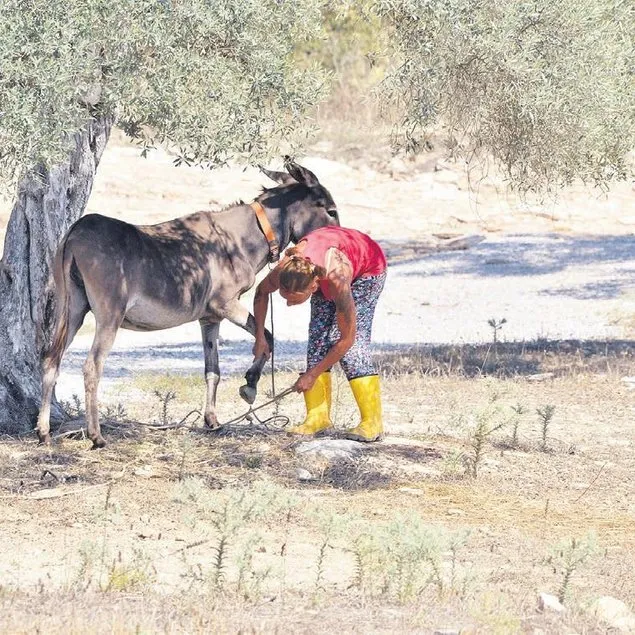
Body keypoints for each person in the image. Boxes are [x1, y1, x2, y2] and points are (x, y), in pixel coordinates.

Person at [252, 225, 387, 442]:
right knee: (317, 342)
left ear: (314, 287)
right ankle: (317, 417)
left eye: (294, 298)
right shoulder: (289, 268)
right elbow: (260, 292)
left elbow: (347, 339)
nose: (287, 304)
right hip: (324, 264)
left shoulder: (337, 279)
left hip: (368, 270)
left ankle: (372, 422)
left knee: (352, 350)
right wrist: (259, 336)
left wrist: (311, 375)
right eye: (285, 296)